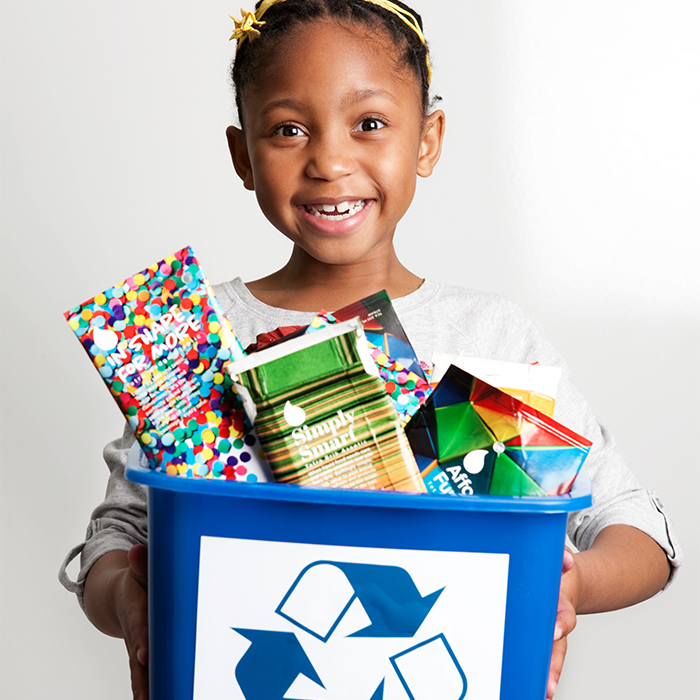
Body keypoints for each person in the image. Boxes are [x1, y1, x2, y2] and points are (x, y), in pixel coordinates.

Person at [59, 1, 682, 698]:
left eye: (369, 124)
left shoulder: (490, 338)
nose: (329, 160)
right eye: (289, 129)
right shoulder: (189, 342)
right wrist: (127, 600)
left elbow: (635, 529)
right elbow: (118, 535)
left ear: (427, 140)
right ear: (243, 156)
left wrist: (567, 585)